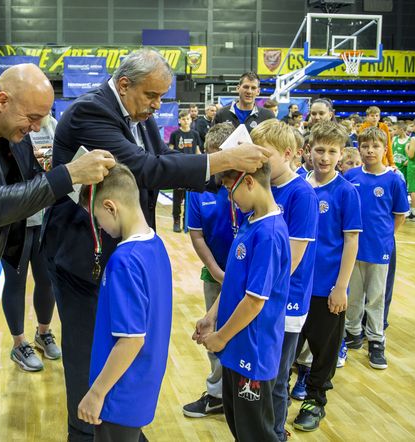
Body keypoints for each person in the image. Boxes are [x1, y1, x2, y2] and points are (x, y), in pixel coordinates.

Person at [44, 49, 271, 441]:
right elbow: (144, 169)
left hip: (121, 251)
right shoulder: (89, 113)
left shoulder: (138, 113)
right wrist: (221, 160)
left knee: (128, 349)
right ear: (124, 84)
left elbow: (164, 158)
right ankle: (85, 431)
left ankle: (119, 430)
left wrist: (224, 174)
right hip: (83, 260)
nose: (157, 105)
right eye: (152, 95)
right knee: (89, 360)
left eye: (162, 97)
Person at [0, 63, 115, 272]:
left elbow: (34, 182)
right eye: (32, 118)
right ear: (2, 101)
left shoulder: (12, 134)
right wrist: (71, 173)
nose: (37, 128)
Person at [193, 161, 290, 442]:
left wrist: (221, 337)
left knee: (255, 432)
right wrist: (211, 316)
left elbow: (254, 301)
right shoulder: (251, 220)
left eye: (229, 189)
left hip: (253, 350)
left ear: (248, 182)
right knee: (238, 424)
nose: (229, 198)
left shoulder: (269, 234)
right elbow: (235, 282)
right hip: (236, 345)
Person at [76, 164, 172, 442]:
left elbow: (131, 340)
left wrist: (96, 393)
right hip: (141, 385)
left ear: (110, 207)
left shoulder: (124, 261)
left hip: (118, 394)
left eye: (97, 219)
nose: (99, 228)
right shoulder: (156, 244)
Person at [293, 120, 362, 432]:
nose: (324, 157)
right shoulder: (298, 186)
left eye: (332, 152)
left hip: (327, 288)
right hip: (296, 286)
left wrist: (341, 287)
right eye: (319, 150)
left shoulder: (346, 192)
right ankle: (281, 395)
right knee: (288, 348)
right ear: (308, 151)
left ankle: (315, 400)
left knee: (324, 350)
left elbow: (351, 240)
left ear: (342, 154)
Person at [254, 120, 318, 442]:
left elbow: (292, 258)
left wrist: (258, 291)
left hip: (285, 300)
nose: (258, 160)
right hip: (261, 297)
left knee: (277, 378)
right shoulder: (263, 185)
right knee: (261, 374)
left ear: (289, 154)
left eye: (265, 154)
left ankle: (276, 434)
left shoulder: (302, 194)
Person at [181, 122, 237, 418]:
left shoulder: (246, 182)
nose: (218, 164)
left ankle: (246, 394)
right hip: (215, 273)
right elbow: (197, 234)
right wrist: (216, 271)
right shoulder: (198, 187)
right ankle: (217, 394)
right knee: (211, 332)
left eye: (223, 156)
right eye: (212, 156)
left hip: (248, 274)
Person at [344, 127, 409, 370]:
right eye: (365, 146)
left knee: (376, 296)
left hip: (379, 248)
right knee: (353, 295)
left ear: (384, 149)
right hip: (352, 248)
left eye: (375, 146)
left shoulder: (394, 179)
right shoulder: (350, 176)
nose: (370, 150)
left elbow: (399, 215)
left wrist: (385, 237)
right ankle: (352, 332)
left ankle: (376, 339)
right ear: (359, 148)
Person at [2, 137, 62, 371]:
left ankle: (43, 333)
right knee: (15, 282)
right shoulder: (10, 132)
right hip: (14, 222)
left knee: (46, 280)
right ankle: (19, 344)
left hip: (45, 219)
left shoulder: (54, 128)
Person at [169, 109, 202, 232]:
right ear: (179, 121)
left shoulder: (195, 134)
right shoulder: (175, 134)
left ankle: (186, 220)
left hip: (191, 170)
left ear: (191, 120)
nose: (186, 121)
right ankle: (176, 220)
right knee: (177, 198)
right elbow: (170, 150)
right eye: (183, 119)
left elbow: (197, 151)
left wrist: (202, 163)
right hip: (179, 169)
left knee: (190, 197)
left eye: (188, 119)